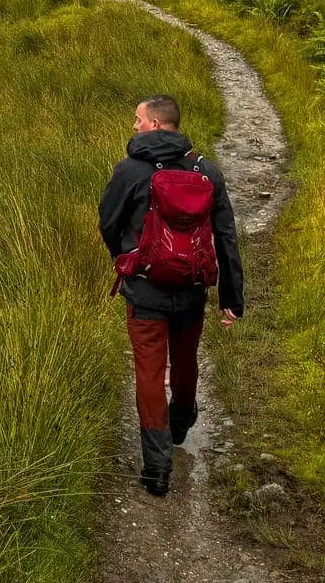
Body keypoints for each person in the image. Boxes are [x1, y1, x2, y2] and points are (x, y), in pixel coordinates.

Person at [98, 94, 244, 497]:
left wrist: (126, 259)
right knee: (185, 360)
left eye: (138, 120)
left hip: (145, 290)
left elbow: (107, 222)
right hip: (192, 288)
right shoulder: (206, 171)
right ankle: (180, 421)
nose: (134, 126)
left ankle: (157, 468)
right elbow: (226, 237)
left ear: (158, 125)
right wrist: (233, 298)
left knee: (148, 370)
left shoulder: (129, 170)